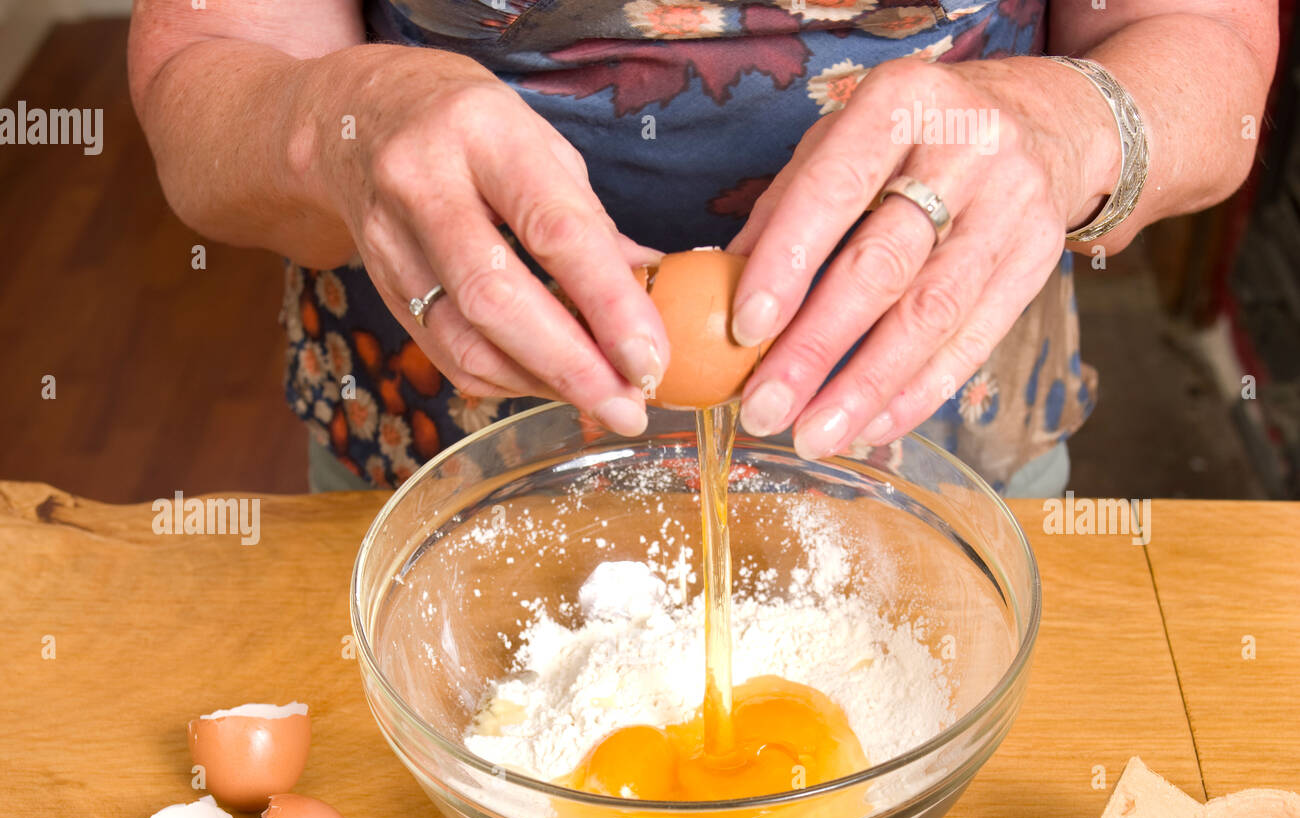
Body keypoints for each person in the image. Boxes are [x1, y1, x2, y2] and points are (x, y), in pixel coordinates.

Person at [128, 0, 1277, 495]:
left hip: (942, 455)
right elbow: (205, 68)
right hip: (445, 467)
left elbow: (1205, 55)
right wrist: (341, 120)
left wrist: (1070, 124)